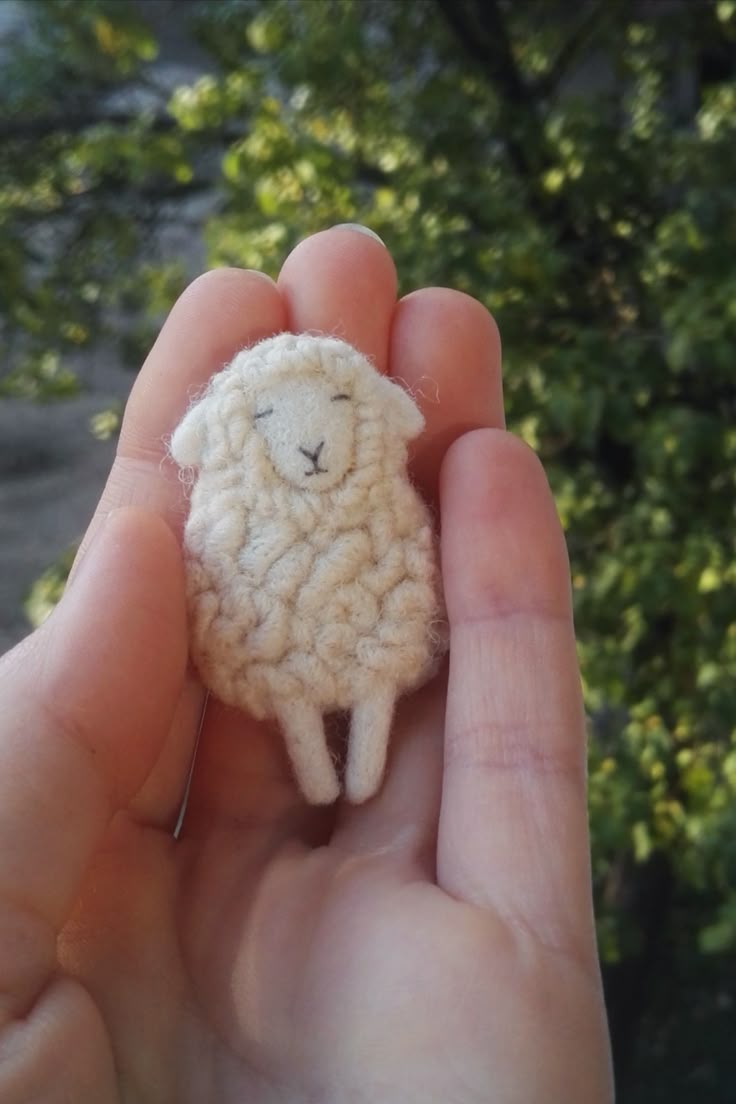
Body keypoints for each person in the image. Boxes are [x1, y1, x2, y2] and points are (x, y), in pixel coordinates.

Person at [0, 225, 614, 1101]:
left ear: (363, 413)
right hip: (266, 625)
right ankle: (313, 741)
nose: (311, 442)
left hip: (365, 602)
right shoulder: (228, 516)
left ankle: (361, 746)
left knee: (376, 629)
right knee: (278, 660)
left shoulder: (385, 504)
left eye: (333, 414)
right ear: (237, 432)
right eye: (272, 422)